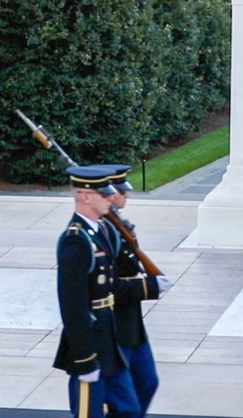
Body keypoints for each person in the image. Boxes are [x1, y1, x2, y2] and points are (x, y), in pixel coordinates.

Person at [54, 165, 165, 418]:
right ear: (85, 196)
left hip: (109, 335)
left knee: (129, 408)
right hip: (91, 340)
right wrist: (84, 360)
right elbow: (72, 307)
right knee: (88, 413)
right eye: (104, 194)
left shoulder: (98, 232)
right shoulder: (75, 240)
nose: (110, 198)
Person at [103, 165, 172, 418]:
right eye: (121, 191)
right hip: (116, 324)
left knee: (147, 383)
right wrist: (149, 286)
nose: (126, 195)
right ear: (109, 194)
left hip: (132, 322)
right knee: (125, 402)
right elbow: (107, 286)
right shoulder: (104, 232)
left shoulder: (119, 225)